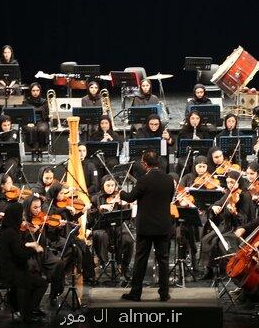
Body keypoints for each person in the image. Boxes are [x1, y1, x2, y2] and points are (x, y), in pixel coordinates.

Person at [117, 150, 175, 302]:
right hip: (163, 225)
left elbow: (130, 198)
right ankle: (164, 293)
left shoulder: (143, 180)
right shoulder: (169, 179)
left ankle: (136, 293)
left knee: (141, 259)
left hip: (146, 227)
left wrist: (121, 192)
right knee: (163, 259)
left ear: (144, 164)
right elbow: (169, 198)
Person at [0, 202, 47, 323]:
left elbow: (15, 248)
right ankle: (30, 311)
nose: (22, 217)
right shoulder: (12, 233)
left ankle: (26, 309)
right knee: (42, 283)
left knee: (33, 276)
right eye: (21, 215)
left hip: (6, 269)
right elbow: (20, 254)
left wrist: (28, 244)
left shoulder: (5, 229)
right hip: (11, 273)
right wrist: (34, 249)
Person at [90, 175, 134, 280]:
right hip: (102, 227)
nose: (110, 188)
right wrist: (100, 208)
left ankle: (124, 265)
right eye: (108, 185)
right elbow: (91, 215)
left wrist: (126, 205)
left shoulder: (119, 196)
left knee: (129, 239)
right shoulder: (97, 198)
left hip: (117, 226)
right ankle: (104, 262)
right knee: (102, 236)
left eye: (112, 185)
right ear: (102, 185)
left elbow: (126, 216)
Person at [175, 110, 210, 174]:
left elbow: (208, 148)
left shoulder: (205, 131)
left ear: (200, 120)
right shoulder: (183, 132)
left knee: (200, 162)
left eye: (197, 118)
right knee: (184, 165)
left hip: (201, 155)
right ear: (189, 120)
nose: (195, 121)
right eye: (192, 118)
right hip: (187, 155)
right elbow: (180, 150)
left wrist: (199, 142)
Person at [24, 82, 50, 162]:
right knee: (31, 129)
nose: (35, 92)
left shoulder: (44, 101)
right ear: (30, 91)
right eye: (33, 90)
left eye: (37, 90)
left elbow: (47, 114)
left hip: (41, 121)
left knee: (42, 129)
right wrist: (28, 122)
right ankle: (33, 151)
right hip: (29, 121)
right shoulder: (26, 101)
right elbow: (23, 114)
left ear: (40, 91)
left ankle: (40, 150)